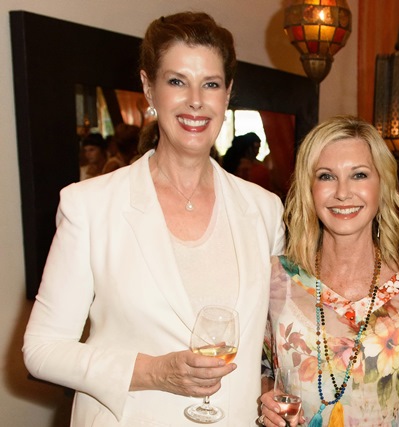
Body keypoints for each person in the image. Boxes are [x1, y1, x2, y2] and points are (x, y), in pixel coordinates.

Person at [23, 11, 285, 426]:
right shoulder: (89, 206)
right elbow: (42, 348)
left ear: (228, 93)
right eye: (177, 81)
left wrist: (271, 389)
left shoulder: (265, 209)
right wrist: (152, 372)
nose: (196, 100)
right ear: (148, 87)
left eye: (211, 84)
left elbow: (272, 341)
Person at [258, 115, 399, 426]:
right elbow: (260, 369)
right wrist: (265, 399)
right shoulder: (275, 278)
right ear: (309, 188)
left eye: (359, 175)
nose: (342, 192)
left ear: (382, 185)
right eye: (326, 176)